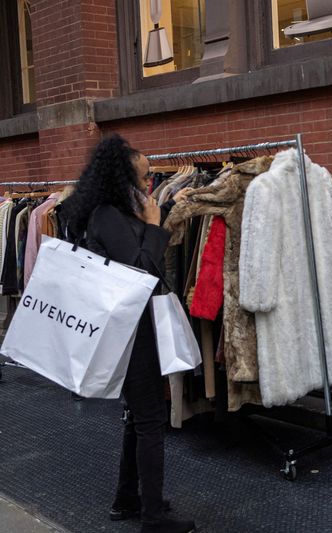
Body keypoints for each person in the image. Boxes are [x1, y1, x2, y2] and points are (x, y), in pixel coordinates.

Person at [61, 134, 194, 533]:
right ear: (121, 180)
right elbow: (140, 273)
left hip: (134, 328)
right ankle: (153, 517)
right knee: (150, 420)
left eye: (150, 177)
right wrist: (155, 227)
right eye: (142, 178)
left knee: (139, 419)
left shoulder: (115, 213)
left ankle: (128, 498)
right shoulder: (108, 216)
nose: (149, 185)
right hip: (131, 332)